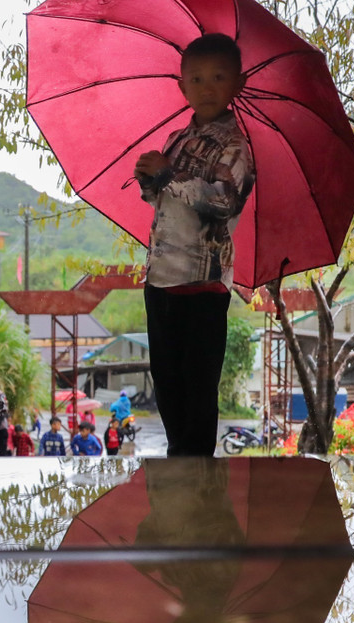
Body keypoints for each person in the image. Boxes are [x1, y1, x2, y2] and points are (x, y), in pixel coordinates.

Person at [134, 33, 255, 457]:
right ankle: (178, 470)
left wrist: (169, 177)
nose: (206, 87)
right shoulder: (176, 141)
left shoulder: (235, 146)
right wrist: (150, 180)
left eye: (218, 77)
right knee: (167, 385)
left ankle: (197, 477)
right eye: (196, 78)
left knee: (197, 388)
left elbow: (223, 201)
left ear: (237, 85)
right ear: (182, 86)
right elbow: (159, 200)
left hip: (203, 286)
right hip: (161, 281)